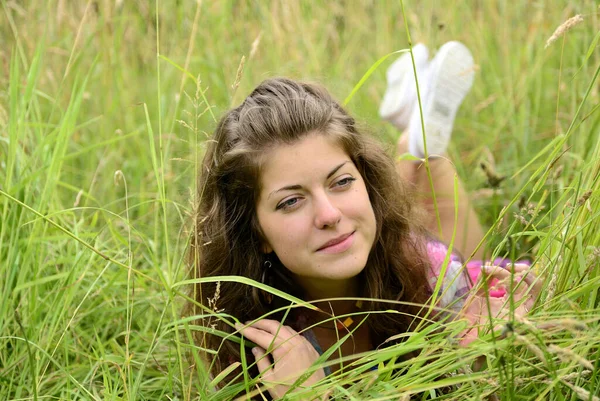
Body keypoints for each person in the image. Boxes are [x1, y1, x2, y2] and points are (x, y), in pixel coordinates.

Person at [186, 41, 541, 400]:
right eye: (291, 201)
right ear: (256, 231)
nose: (329, 215)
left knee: (447, 247)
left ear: (367, 182)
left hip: (422, 267)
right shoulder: (254, 341)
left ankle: (416, 141)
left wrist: (477, 353)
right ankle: (414, 131)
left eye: (342, 181)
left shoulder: (429, 277)